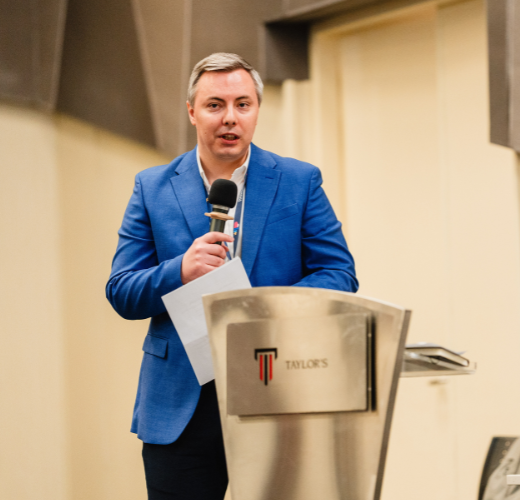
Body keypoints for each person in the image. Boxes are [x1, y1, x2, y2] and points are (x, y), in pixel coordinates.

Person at [105, 52, 358, 499]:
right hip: (181, 406)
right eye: (215, 105)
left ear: (257, 109)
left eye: (243, 104)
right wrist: (179, 270)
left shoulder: (299, 182)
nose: (230, 118)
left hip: (278, 390)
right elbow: (122, 290)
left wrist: (267, 308)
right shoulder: (152, 187)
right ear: (192, 112)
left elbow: (339, 273)